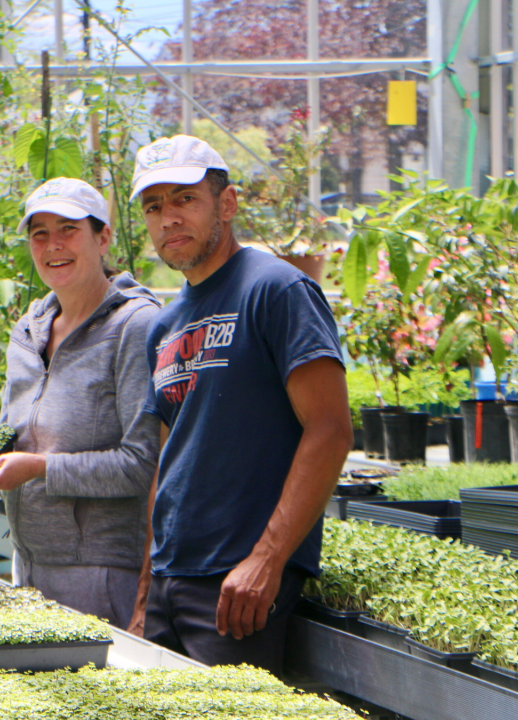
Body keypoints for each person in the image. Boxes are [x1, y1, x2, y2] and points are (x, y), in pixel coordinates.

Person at [126, 136, 352, 676]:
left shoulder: (276, 290)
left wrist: (267, 559)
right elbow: (168, 461)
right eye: (153, 207)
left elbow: (330, 430)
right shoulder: (164, 323)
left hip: (236, 587)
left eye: (184, 200)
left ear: (226, 205)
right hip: (169, 582)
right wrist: (143, 595)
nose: (167, 219)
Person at [0, 177, 161, 629]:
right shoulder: (29, 330)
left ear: (103, 237)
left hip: (100, 574)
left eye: (68, 229)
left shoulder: (135, 327)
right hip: (28, 564)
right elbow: (12, 434)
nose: (52, 245)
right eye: (39, 233)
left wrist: (39, 469)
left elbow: (142, 464)